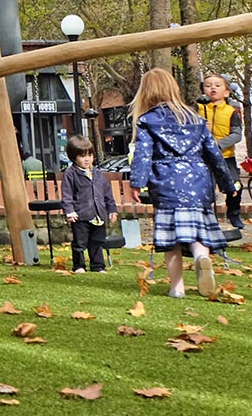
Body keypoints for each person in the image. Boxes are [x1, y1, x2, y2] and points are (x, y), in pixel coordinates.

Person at [128, 67, 237, 299]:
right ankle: (201, 258)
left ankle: (177, 287)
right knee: (198, 233)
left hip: (166, 183)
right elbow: (214, 155)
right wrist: (228, 184)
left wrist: (137, 182)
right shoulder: (196, 119)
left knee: (171, 241)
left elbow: (143, 154)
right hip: (198, 181)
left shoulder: (147, 120)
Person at [62, 134, 118, 273]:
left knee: (97, 242)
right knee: (79, 243)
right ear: (73, 157)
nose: (87, 159)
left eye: (89, 155)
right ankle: (79, 266)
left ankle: (98, 266)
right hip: (81, 215)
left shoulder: (98, 173)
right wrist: (69, 211)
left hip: (99, 214)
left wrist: (112, 210)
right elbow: (67, 195)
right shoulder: (71, 174)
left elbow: (107, 193)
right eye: (82, 156)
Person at [198, 73, 244, 229]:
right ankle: (207, 218)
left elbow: (237, 135)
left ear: (226, 92)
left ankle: (234, 213)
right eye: (208, 85)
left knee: (235, 186)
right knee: (205, 188)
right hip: (204, 157)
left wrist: (219, 144)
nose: (212, 88)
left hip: (225, 156)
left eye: (217, 85)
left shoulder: (232, 111)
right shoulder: (198, 109)